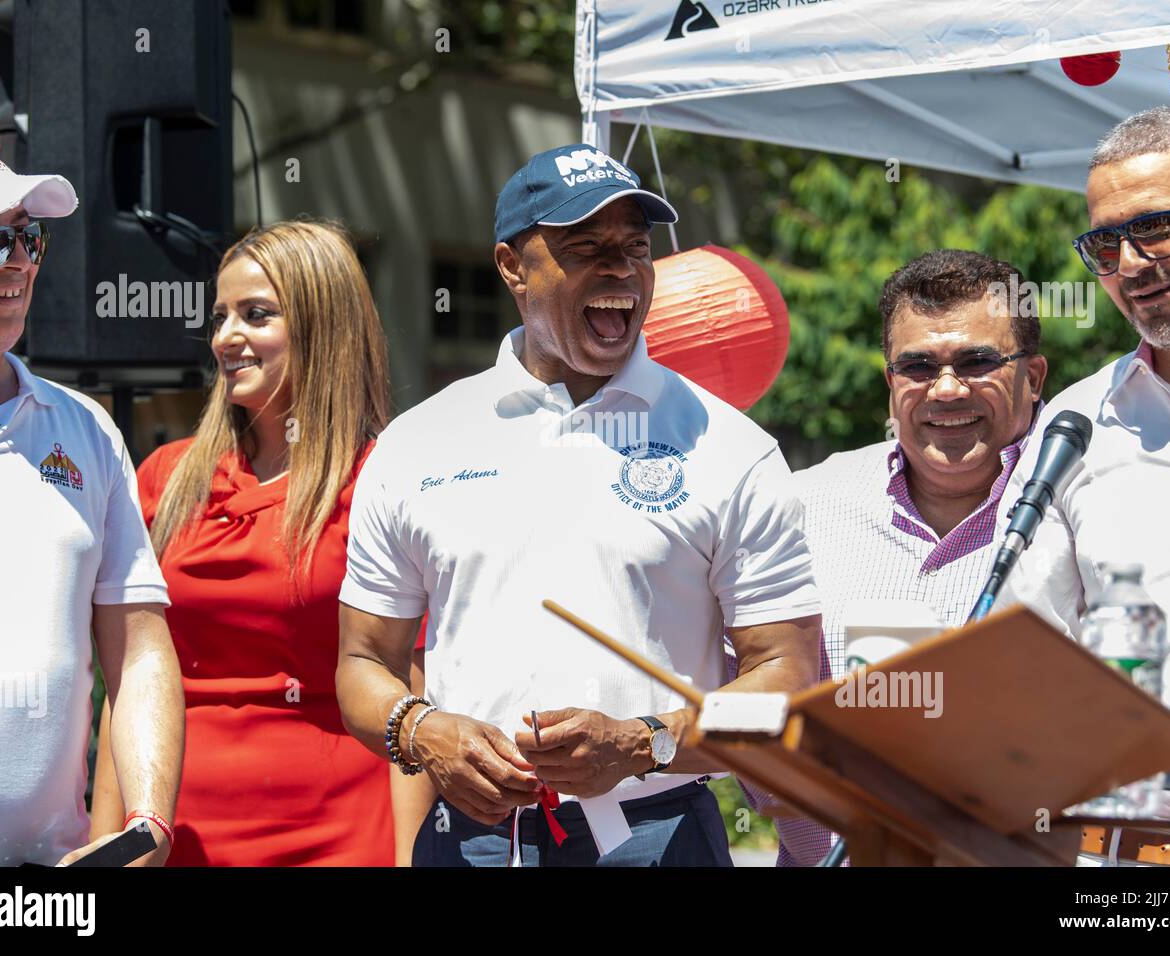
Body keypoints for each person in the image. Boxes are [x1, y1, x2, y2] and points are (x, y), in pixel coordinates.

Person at [336, 144, 823, 866]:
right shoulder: (418, 444)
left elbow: (786, 686)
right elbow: (360, 661)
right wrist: (421, 732)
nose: (620, 268)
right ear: (511, 267)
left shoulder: (730, 448)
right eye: (585, 246)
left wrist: (643, 744)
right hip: (473, 840)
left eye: (635, 246)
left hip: (661, 833)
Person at [91, 220, 404, 865]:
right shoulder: (166, 476)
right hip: (177, 833)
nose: (226, 338)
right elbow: (131, 677)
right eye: (220, 317)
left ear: (323, 327)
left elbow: (409, 695)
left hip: (339, 835)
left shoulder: (384, 479)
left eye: (256, 315)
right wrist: (107, 846)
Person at [736, 249, 1047, 865]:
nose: (948, 388)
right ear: (890, 383)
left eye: (978, 361)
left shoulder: (1081, 507)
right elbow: (741, 702)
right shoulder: (803, 504)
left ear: (1033, 378)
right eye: (918, 366)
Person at [998, 105, 1170, 863]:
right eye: (1105, 243)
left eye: (1158, 227)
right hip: (1140, 859)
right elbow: (1025, 651)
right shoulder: (1074, 426)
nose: (1130, 263)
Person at [0, 134, 183, 866]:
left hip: (52, 876)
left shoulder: (87, 429)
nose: (16, 261)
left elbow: (139, 646)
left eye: (28, 236)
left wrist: (147, 825)